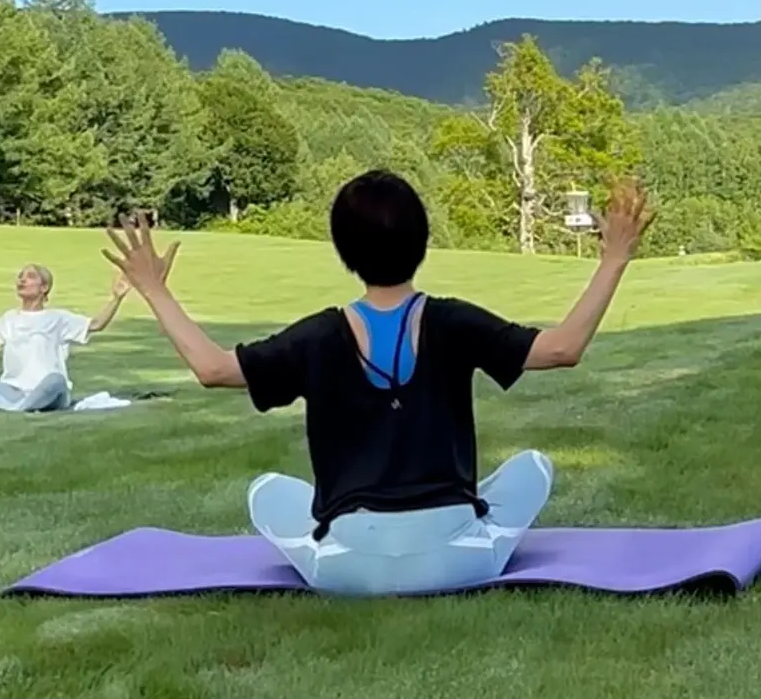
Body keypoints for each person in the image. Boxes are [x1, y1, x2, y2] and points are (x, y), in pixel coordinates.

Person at [102, 171, 655, 595]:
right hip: (460, 559)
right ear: (422, 241)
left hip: (348, 567)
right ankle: (465, 519)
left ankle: (369, 535)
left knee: (265, 490)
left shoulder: (318, 335)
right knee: (533, 466)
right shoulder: (453, 321)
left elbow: (213, 369)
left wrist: (154, 289)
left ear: (344, 252)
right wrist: (613, 258)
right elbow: (563, 348)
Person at [0, 263, 135, 412]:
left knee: (56, 379)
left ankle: (16, 409)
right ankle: (21, 407)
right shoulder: (10, 318)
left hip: (52, 393)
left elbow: (96, 324)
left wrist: (116, 298)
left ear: (44, 287)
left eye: (30, 276)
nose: (22, 280)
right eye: (20, 276)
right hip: (13, 392)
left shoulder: (58, 318)